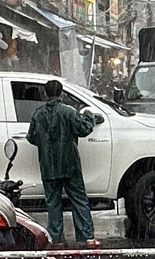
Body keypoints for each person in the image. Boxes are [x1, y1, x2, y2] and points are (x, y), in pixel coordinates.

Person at [24, 78, 102, 247]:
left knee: (53, 203)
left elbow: (31, 137)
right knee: (79, 200)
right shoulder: (68, 111)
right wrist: (89, 116)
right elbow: (84, 129)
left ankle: (57, 239)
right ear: (61, 94)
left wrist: (45, 145)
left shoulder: (38, 114)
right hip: (70, 164)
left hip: (48, 166)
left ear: (46, 94)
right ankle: (87, 238)